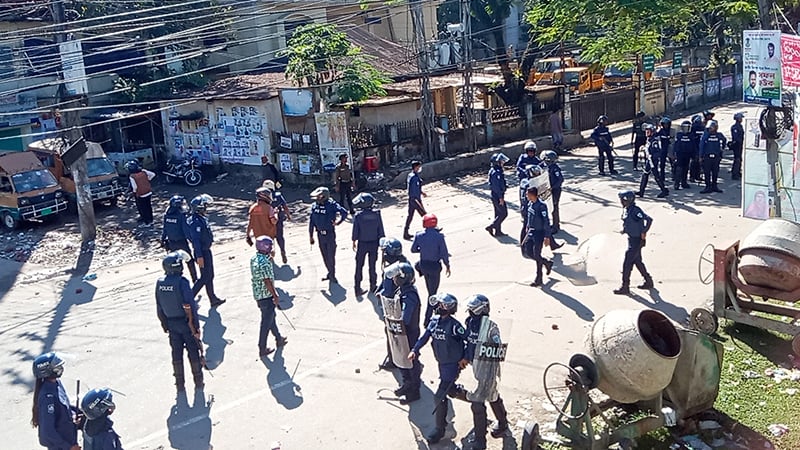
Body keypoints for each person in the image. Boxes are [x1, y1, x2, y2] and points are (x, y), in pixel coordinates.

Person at [408, 292, 468, 444]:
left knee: (439, 396)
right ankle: (476, 400)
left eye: (442, 305)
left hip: (452, 365)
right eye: (439, 305)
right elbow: (425, 336)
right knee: (451, 390)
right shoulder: (434, 321)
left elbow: (469, 341)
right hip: (441, 363)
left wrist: (465, 358)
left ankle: (440, 429)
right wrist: (415, 350)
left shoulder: (455, 326)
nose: (438, 307)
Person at [458, 294, 509, 448]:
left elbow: (497, 346)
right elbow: (469, 342)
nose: (470, 312)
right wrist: (466, 357)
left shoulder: (491, 326)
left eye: (473, 309)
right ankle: (503, 422)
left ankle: (480, 440)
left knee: (477, 403)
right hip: (475, 365)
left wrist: (495, 343)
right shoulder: (470, 322)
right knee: (492, 396)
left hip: (488, 367)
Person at [156, 252, 205, 391]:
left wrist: (165, 325)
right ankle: (198, 381)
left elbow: (159, 307)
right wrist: (195, 327)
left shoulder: (160, 283)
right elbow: (191, 305)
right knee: (193, 353)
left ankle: (180, 384)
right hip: (186, 324)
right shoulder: (182, 282)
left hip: (172, 325)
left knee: (176, 355)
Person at [384, 261, 422, 404]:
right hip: (402, 332)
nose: (394, 279)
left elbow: (406, 317)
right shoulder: (402, 291)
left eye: (396, 277)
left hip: (410, 333)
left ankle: (414, 390)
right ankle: (406, 383)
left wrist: (396, 319)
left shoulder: (410, 296)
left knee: (411, 361)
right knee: (401, 359)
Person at [31, 352, 81, 450]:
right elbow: (47, 432)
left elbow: (63, 406)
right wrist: (68, 447)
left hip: (70, 439)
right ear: (48, 371)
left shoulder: (57, 383)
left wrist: (75, 413)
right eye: (57, 367)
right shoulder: (47, 397)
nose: (61, 368)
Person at [411, 213, 451, 326]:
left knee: (430, 289)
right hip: (434, 267)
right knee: (432, 294)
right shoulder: (439, 236)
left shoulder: (419, 235)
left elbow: (413, 249)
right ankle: (427, 319)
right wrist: (447, 265)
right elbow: (444, 252)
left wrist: (423, 249)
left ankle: (434, 311)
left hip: (424, 266)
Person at [251, 236, 287, 357]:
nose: (271, 247)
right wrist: (275, 294)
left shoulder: (255, 258)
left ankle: (278, 338)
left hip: (258, 294)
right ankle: (262, 347)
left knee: (271, 317)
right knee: (266, 322)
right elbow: (267, 281)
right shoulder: (265, 263)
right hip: (266, 295)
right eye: (270, 246)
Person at [378, 237, 410, 371]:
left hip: (392, 305)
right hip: (392, 300)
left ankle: (394, 359)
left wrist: (383, 294)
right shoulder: (401, 263)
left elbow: (389, 288)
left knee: (392, 332)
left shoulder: (394, 268)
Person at [188, 194, 226, 308]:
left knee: (209, 275)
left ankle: (212, 298)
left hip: (206, 251)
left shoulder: (202, 218)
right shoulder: (195, 222)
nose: (206, 208)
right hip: (202, 253)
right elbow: (196, 241)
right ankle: (188, 298)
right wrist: (199, 256)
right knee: (204, 277)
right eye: (205, 206)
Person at [614, 191, 654, 295]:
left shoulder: (636, 211)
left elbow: (649, 219)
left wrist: (644, 231)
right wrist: (625, 230)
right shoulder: (627, 209)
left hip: (637, 241)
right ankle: (648, 281)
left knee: (627, 263)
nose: (621, 201)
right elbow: (628, 222)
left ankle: (625, 286)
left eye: (623, 199)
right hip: (631, 238)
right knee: (637, 261)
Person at [309, 186, 348, 283]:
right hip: (320, 235)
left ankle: (332, 274)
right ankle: (329, 272)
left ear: (324, 196)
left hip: (330, 234)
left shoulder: (331, 205)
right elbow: (311, 221)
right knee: (324, 256)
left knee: (331, 256)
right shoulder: (315, 206)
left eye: (319, 196)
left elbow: (344, 212)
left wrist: (338, 222)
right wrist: (311, 236)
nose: (317, 198)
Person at [352, 192, 385, 296]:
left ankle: (357, 288)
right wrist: (382, 244)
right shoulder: (377, 214)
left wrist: (354, 241)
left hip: (362, 244)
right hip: (374, 244)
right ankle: (373, 286)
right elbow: (381, 230)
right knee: (372, 266)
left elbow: (355, 230)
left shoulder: (358, 216)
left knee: (359, 266)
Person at [161, 195, 198, 283]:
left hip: (171, 243)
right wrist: (192, 240)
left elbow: (165, 229)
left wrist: (162, 240)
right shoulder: (181, 216)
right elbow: (185, 230)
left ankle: (177, 279)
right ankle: (195, 279)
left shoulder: (167, 215)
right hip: (181, 242)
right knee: (189, 260)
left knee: (176, 262)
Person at [521, 186, 553, 287]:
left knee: (537, 254)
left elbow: (546, 222)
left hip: (539, 233)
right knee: (529, 253)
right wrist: (527, 227)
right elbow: (529, 217)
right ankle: (546, 263)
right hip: (531, 232)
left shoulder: (541, 206)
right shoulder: (530, 203)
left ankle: (538, 278)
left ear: (532, 195)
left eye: (528, 194)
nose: (526, 196)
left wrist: (547, 236)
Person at [636, 124, 669, 199]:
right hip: (649, 160)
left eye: (648, 131)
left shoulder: (655, 141)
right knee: (645, 174)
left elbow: (658, 152)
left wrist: (652, 157)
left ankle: (664, 190)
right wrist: (643, 148)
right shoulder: (649, 139)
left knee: (656, 175)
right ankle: (641, 191)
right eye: (646, 131)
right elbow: (648, 147)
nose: (647, 132)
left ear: (652, 132)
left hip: (653, 161)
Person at [263, 180, 291, 264]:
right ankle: (283, 251)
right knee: (280, 237)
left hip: (267, 221)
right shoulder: (278, 195)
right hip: (278, 220)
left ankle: (270, 254)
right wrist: (289, 215)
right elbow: (285, 206)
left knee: (268, 238)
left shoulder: (262, 197)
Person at [699, 120, 727, 194]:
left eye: (713, 127)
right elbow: (701, 146)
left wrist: (722, 149)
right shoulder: (705, 135)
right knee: (707, 172)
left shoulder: (719, 135)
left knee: (715, 172)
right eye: (710, 128)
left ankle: (714, 186)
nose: (711, 129)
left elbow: (724, 140)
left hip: (716, 157)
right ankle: (707, 186)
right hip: (707, 157)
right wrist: (701, 156)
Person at [485, 153, 509, 237]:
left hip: (495, 195)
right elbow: (496, 187)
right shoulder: (496, 173)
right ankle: (492, 226)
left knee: (498, 213)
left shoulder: (494, 171)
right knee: (504, 213)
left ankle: (498, 231)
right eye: (501, 162)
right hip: (497, 196)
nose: (502, 163)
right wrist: (500, 198)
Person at [126, 160, 155, 225]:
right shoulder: (144, 171)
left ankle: (146, 223)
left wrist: (134, 193)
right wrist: (147, 180)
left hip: (141, 195)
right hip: (148, 192)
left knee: (143, 209)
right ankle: (151, 220)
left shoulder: (132, 176)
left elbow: (134, 187)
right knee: (148, 207)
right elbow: (153, 174)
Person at [403, 161, 427, 240]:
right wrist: (415, 199)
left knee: (410, 216)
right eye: (418, 167)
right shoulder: (413, 177)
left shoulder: (411, 175)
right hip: (415, 199)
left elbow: (415, 188)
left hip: (413, 199)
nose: (420, 168)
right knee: (424, 214)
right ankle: (431, 229)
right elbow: (411, 189)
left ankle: (405, 233)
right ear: (416, 167)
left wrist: (421, 192)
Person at [542, 150, 563, 234]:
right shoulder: (545, 167)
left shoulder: (555, 168)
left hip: (555, 191)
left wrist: (552, 187)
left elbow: (560, 179)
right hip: (548, 190)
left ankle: (555, 226)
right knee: (550, 207)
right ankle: (555, 224)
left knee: (554, 207)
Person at [673, 121, 694, 190]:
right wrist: (674, 153)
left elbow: (693, 145)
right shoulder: (679, 135)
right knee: (679, 168)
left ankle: (684, 182)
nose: (686, 129)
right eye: (685, 127)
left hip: (688, 154)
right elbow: (675, 145)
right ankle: (677, 183)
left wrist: (694, 154)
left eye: (688, 127)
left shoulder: (691, 135)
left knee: (686, 168)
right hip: (680, 154)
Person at [689, 115, 705, 183]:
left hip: (700, 147)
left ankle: (697, 176)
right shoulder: (692, 128)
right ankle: (692, 176)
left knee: (699, 162)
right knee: (694, 162)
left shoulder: (703, 128)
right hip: (694, 147)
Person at [658, 116, 673, 183]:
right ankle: (662, 176)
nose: (666, 125)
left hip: (669, 147)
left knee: (672, 162)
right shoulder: (661, 131)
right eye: (664, 124)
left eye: (667, 124)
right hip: (663, 148)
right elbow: (656, 136)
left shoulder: (671, 130)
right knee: (662, 163)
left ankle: (674, 175)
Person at [730, 112, 744, 180]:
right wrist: (739, 142)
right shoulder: (735, 127)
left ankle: (738, 172)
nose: (742, 119)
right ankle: (735, 174)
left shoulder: (740, 126)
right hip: (737, 145)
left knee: (739, 159)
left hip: (740, 144)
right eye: (741, 118)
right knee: (737, 159)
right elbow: (736, 138)